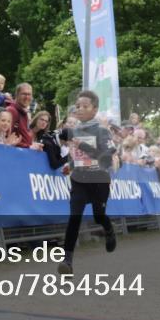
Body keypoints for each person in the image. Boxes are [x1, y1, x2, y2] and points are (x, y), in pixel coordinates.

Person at [57, 90, 117, 275]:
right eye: (78, 106)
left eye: (85, 106)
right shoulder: (74, 131)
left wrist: (79, 143)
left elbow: (106, 156)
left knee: (99, 216)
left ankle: (108, 229)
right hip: (80, 181)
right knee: (74, 218)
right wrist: (71, 165)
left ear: (95, 109)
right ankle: (67, 261)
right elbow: (79, 155)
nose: (80, 109)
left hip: (99, 181)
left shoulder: (101, 131)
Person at [5, 83, 34, 148]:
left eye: (29, 94)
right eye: (24, 94)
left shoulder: (24, 112)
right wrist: (29, 146)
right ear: (17, 95)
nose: (27, 97)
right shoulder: (11, 111)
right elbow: (6, 138)